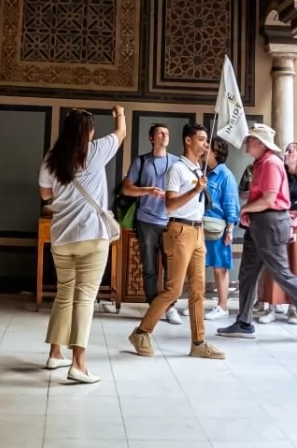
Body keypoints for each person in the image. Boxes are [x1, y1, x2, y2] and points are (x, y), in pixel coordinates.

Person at [217, 123, 297, 342]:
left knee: (282, 274)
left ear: (260, 143)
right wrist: (249, 213)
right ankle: (243, 322)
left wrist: (245, 209)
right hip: (260, 222)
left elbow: (270, 199)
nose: (246, 144)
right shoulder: (261, 163)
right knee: (247, 273)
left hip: (270, 222)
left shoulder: (270, 163)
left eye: (250, 140)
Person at [38, 107, 126, 384]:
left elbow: (45, 195)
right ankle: (78, 363)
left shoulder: (51, 159)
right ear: (89, 132)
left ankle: (55, 353)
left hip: (62, 237)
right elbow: (121, 133)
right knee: (85, 298)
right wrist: (119, 113)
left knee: (64, 294)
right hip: (92, 235)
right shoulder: (96, 150)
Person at [128, 123, 225, 359]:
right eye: (201, 139)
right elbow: (170, 205)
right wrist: (194, 191)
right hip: (179, 231)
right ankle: (142, 332)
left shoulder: (196, 170)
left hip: (197, 232)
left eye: (206, 139)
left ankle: (199, 342)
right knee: (173, 290)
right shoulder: (177, 169)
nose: (205, 143)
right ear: (188, 141)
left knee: (198, 291)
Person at [121, 124, 182, 326]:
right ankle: (153, 305)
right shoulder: (141, 161)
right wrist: (147, 191)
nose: (164, 136)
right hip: (146, 220)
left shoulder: (176, 162)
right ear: (151, 138)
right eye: (160, 133)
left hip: (170, 220)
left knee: (171, 267)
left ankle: (170, 307)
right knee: (149, 266)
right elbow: (127, 190)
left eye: (167, 133)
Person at [259, 142, 297, 324]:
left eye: (290, 151)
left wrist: (293, 223)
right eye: (286, 150)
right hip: (279, 219)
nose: (286, 154)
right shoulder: (280, 173)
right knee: (275, 263)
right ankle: (273, 307)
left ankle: (294, 308)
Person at [204, 138, 239, 320]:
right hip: (202, 225)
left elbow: (231, 204)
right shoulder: (204, 173)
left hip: (218, 228)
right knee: (199, 265)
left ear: (216, 152)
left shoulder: (225, 175)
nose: (203, 150)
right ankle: (198, 303)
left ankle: (222, 305)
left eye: (207, 147)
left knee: (220, 268)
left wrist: (230, 230)